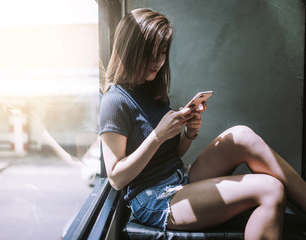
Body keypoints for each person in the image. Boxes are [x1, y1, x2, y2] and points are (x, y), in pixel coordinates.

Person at [99, 8, 306, 240]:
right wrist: (157, 135)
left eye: (163, 52)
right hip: (153, 199)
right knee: (271, 190)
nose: (158, 61)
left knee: (240, 135)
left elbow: (171, 154)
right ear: (131, 50)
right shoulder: (114, 100)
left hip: (178, 178)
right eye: (150, 53)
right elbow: (116, 178)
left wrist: (189, 133)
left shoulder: (150, 91)